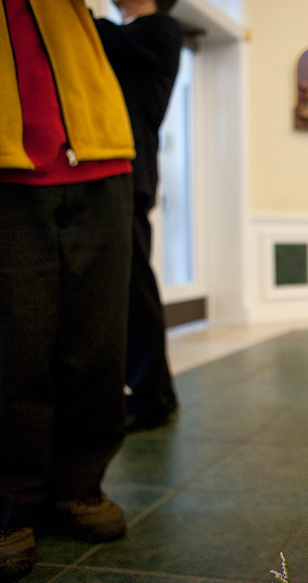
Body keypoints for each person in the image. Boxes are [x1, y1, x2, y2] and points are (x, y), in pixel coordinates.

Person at [0, 0, 135, 579]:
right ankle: (11, 503)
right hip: (7, 168)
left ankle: (78, 485)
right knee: (14, 345)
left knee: (97, 341)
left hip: (96, 148)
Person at [94, 0, 183, 432]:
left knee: (134, 285)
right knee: (128, 284)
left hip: (130, 172)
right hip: (119, 172)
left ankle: (152, 395)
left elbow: (102, 34)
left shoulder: (161, 30)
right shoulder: (133, 35)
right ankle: (150, 392)